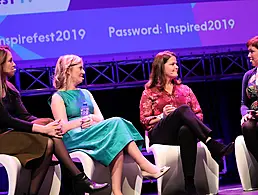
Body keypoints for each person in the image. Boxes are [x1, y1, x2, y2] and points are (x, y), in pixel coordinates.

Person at [50, 54, 170, 195]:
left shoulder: (86, 93)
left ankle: (117, 191)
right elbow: (62, 127)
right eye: (80, 68)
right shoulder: (58, 97)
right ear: (68, 70)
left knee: (116, 138)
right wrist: (81, 121)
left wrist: (90, 119)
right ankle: (143, 165)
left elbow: (100, 118)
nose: (83, 72)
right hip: (73, 138)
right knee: (116, 123)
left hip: (91, 132)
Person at [0, 46, 109, 195]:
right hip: (3, 137)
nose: (14, 64)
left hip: (12, 134)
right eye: (10, 61)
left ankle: (35, 191)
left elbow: (24, 116)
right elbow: (8, 121)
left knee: (50, 137)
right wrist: (42, 129)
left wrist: (46, 123)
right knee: (48, 138)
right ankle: (78, 178)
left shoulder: (10, 88)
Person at [139, 50, 234, 195]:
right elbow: (144, 121)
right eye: (172, 64)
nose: (176, 67)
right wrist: (162, 116)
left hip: (182, 134)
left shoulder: (185, 89)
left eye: (176, 64)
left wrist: (183, 118)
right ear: (161, 67)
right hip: (161, 134)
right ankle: (211, 144)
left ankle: (189, 184)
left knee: (186, 130)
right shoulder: (149, 92)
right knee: (183, 109)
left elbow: (198, 114)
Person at [240, 36, 258, 162]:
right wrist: (245, 114)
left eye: (252, 51)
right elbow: (243, 103)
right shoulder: (249, 76)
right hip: (253, 116)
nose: (248, 55)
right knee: (247, 127)